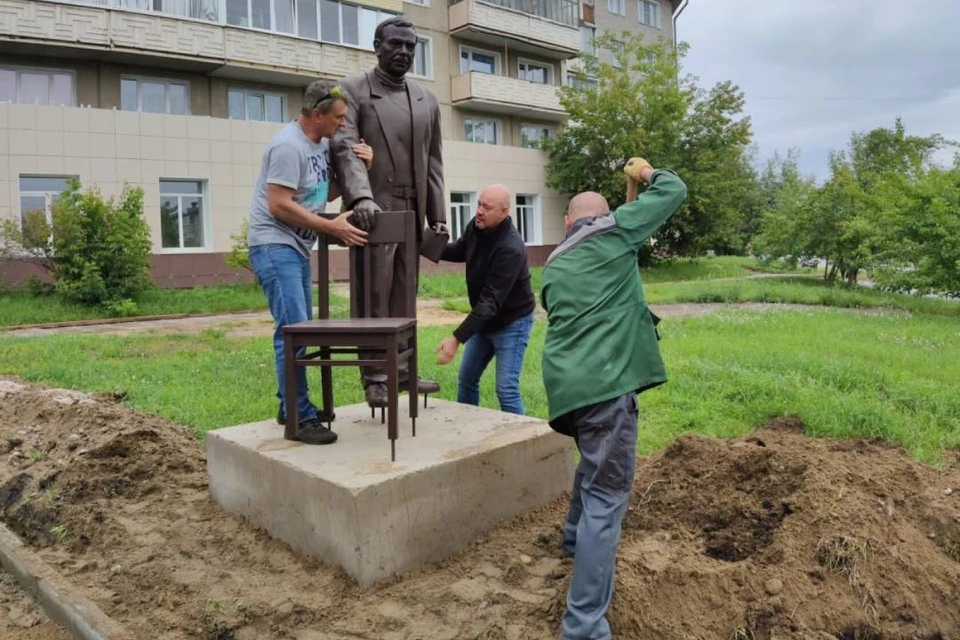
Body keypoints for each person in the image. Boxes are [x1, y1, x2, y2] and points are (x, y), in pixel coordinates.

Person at [540, 158, 687, 639]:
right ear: (602, 218)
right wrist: (644, 172)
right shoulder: (616, 234)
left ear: (567, 222)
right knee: (607, 497)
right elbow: (673, 190)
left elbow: (619, 245)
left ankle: (569, 539)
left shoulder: (556, 261)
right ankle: (583, 626)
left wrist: (624, 203)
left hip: (568, 389)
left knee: (591, 462)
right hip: (606, 387)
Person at [247, 79, 372, 445]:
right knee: (294, 333)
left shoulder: (320, 143)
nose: (343, 125)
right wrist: (330, 226)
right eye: (338, 118)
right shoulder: (288, 146)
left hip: (296, 248)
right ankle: (299, 420)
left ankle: (291, 406)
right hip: (275, 246)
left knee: (296, 330)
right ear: (316, 114)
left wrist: (364, 165)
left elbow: (319, 192)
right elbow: (279, 204)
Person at [332, 16, 447, 410]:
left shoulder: (426, 99)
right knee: (374, 295)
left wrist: (438, 216)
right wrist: (361, 198)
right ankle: (375, 377)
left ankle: (403, 372)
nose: (403, 52)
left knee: (405, 296)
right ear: (377, 47)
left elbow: (434, 163)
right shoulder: (353, 91)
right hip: (374, 212)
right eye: (395, 44)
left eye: (410, 46)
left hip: (412, 214)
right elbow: (345, 148)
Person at [434, 185, 536, 415]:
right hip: (484, 321)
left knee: (506, 389)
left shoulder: (510, 248)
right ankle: (468, 430)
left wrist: (456, 338)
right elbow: (460, 250)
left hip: (512, 323)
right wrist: (423, 244)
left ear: (504, 212)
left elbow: (490, 302)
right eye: (479, 204)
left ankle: (520, 439)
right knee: (467, 379)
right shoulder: (477, 226)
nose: (479, 211)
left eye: (486, 207)